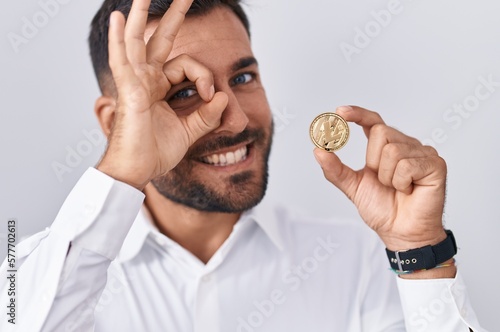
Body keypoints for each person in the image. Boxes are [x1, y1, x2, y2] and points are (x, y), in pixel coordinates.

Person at [0, 0, 486, 331]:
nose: (234, 117)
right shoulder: (23, 274)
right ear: (114, 123)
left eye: (244, 76)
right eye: (183, 93)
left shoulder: (360, 261)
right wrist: (121, 168)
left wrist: (419, 251)